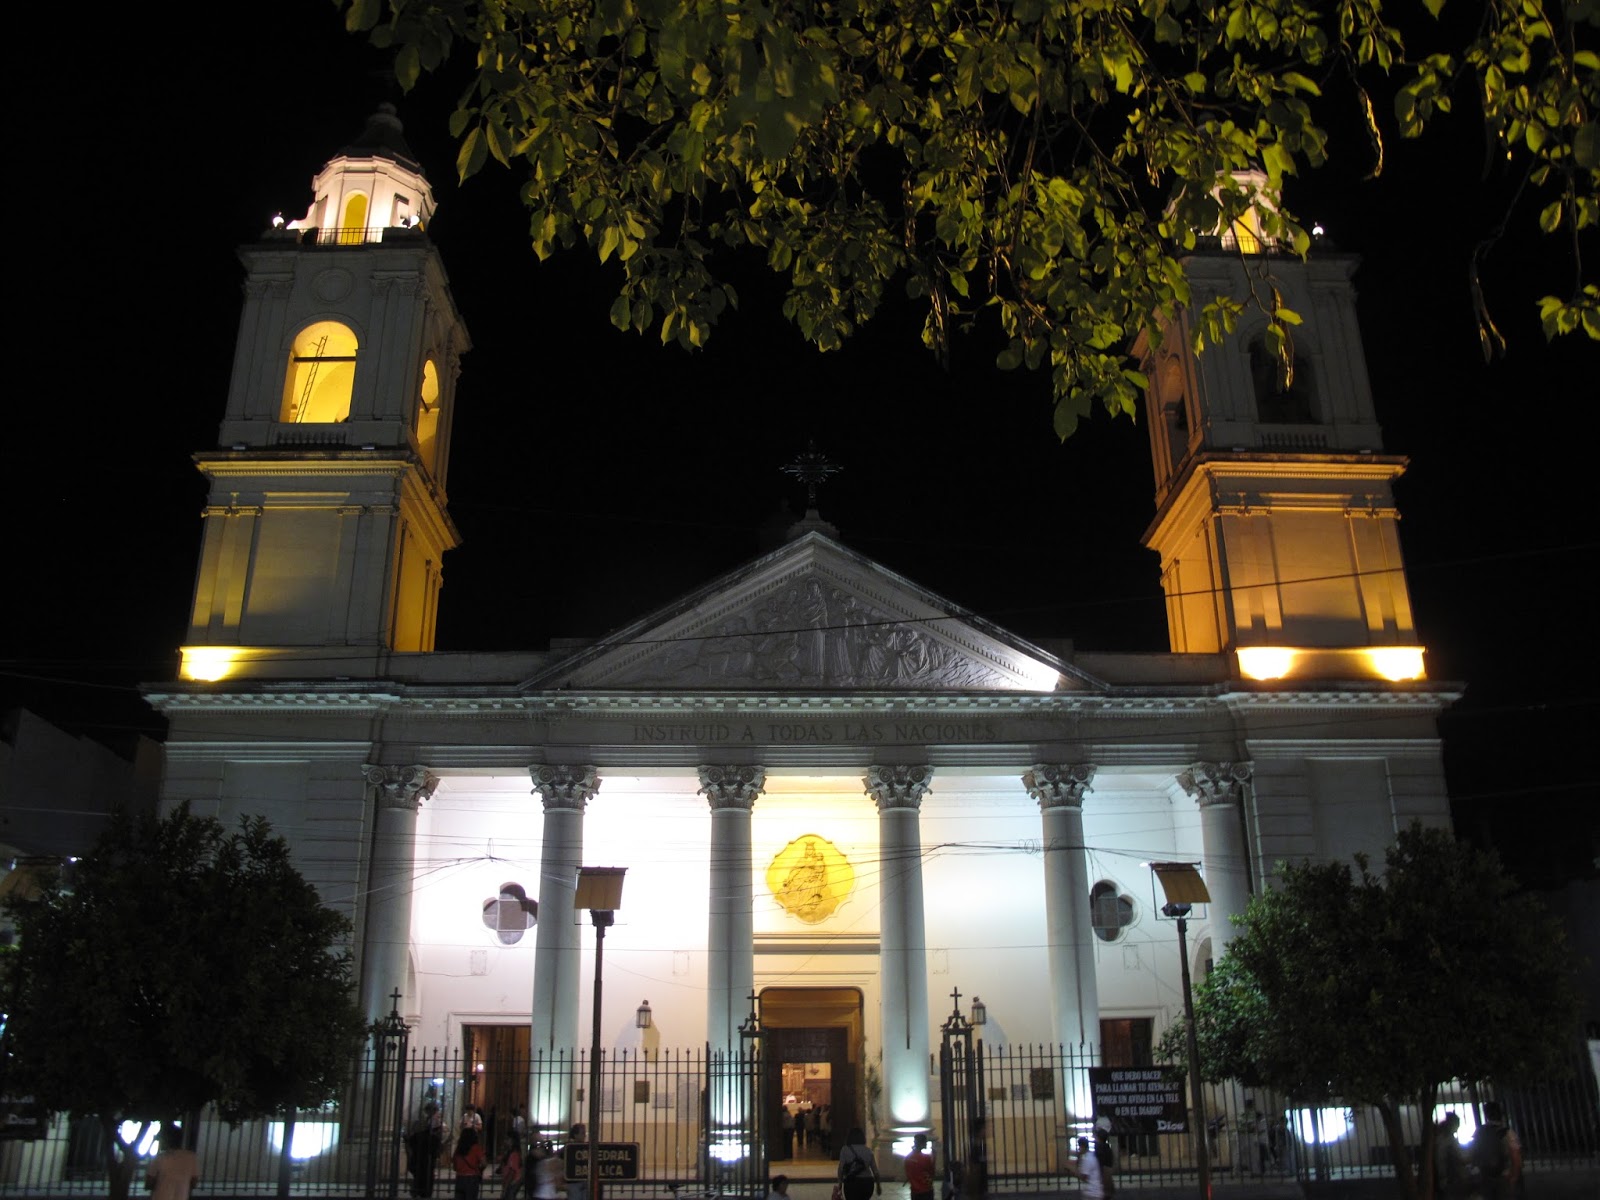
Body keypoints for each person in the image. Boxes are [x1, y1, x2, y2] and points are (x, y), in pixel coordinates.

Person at [1471, 1102, 1521, 1200]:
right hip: (1503, 1175)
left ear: (1486, 1115)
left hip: (1485, 1176)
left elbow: (1474, 1153)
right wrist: (1514, 1176)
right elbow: (1515, 1155)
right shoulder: (1507, 1132)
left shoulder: (1479, 1132)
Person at [145, 1128, 200, 1200]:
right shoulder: (191, 1157)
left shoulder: (159, 1158)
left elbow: (149, 1183)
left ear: (167, 1140)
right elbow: (194, 1183)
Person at [409, 1101, 447, 1198]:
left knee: (424, 1171)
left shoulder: (433, 1121)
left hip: (425, 1149)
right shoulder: (427, 1121)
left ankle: (421, 1189)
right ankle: (423, 1190)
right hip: (426, 1149)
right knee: (425, 1172)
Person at [838, 1125, 881, 1200]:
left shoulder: (845, 1150)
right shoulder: (868, 1151)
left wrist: (840, 1185)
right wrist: (878, 1185)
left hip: (851, 1183)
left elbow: (841, 1169)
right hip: (867, 1182)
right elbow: (875, 1171)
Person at [1434, 1112, 1470, 1200]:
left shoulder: (1438, 1137)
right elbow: (1459, 1158)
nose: (1458, 1128)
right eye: (1457, 1125)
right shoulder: (1449, 1140)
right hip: (1451, 1179)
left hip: (1441, 1178)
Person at [454, 1127, 487, 1200]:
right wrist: (480, 1169)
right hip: (472, 1178)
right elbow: (484, 1163)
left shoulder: (459, 1149)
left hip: (460, 1178)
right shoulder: (476, 1148)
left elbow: (455, 1166)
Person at [904, 1133, 935, 1200]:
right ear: (922, 1143)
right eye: (925, 1142)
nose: (926, 1144)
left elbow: (908, 1173)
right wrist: (934, 1158)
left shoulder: (908, 1157)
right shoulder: (926, 1158)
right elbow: (931, 1172)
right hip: (925, 1189)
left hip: (914, 1189)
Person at [499, 1132, 524, 1200]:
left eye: (507, 1139)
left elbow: (512, 1172)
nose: (505, 1141)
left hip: (512, 1182)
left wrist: (505, 1187)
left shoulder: (514, 1154)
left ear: (512, 1141)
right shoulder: (510, 1152)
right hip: (511, 1181)